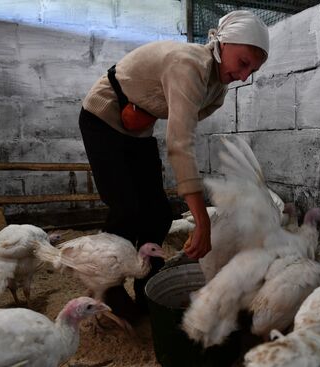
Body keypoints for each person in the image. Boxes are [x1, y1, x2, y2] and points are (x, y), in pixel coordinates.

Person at [78, 10, 269, 320]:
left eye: (253, 70)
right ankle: (109, 287)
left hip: (136, 126)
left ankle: (148, 284)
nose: (245, 76)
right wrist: (201, 221)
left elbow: (176, 119)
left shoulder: (216, 90)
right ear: (223, 44)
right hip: (102, 117)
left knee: (158, 212)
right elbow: (180, 145)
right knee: (126, 209)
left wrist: (146, 109)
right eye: (243, 62)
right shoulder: (189, 64)